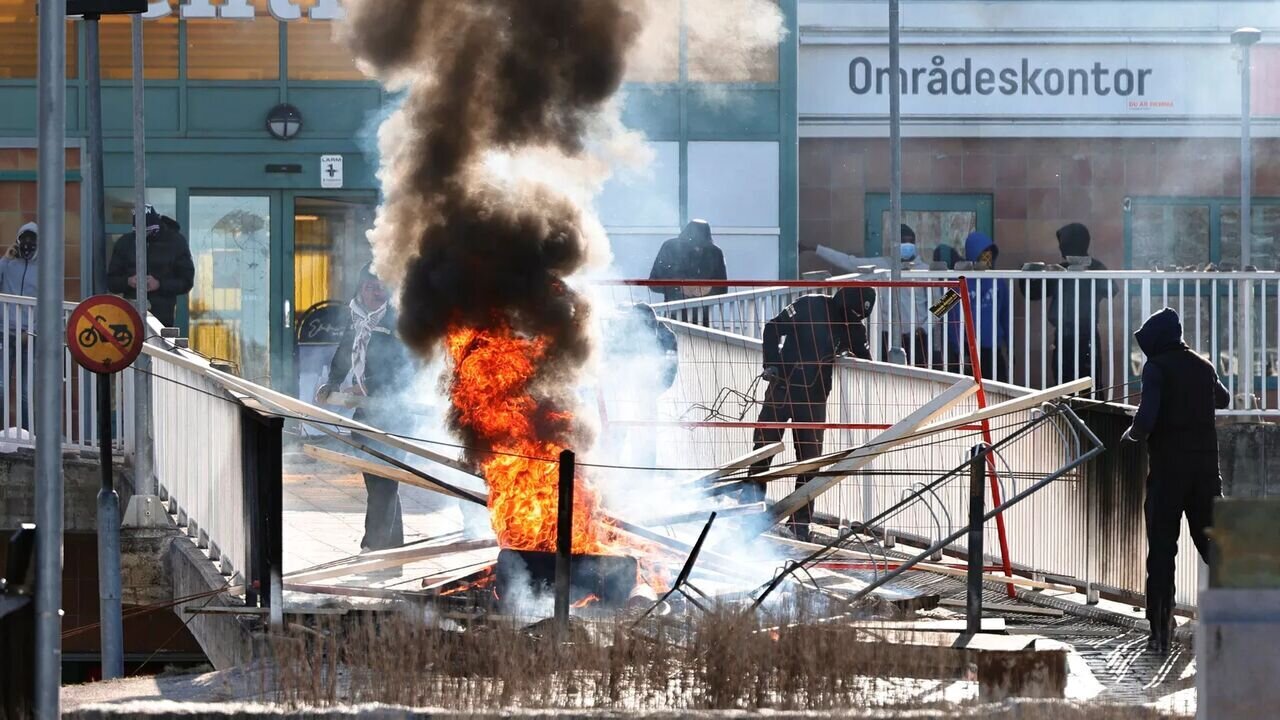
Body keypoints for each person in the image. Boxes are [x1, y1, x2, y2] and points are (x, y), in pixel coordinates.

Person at [1122, 307, 1230, 655]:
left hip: (1168, 474)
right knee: (1216, 549)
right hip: (1205, 475)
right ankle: (1235, 623)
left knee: (1163, 551)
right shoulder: (1203, 365)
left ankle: (1161, 630)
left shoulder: (1156, 368)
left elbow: (1147, 418)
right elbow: (1223, 399)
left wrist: (1131, 435)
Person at [746, 287, 876, 541]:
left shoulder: (855, 328)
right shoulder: (809, 304)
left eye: (856, 319)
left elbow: (867, 360)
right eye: (849, 316)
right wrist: (771, 363)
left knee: (810, 461)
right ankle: (749, 513)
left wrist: (856, 358)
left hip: (814, 397)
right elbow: (773, 328)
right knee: (762, 449)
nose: (850, 322)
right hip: (781, 387)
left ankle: (800, 523)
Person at [316, 264, 411, 552]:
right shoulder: (356, 316)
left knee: (384, 478)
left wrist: (368, 385)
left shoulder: (397, 319)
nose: (376, 290)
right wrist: (332, 382)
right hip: (368, 410)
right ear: (361, 288)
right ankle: (391, 547)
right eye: (371, 285)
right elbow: (345, 352)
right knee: (379, 479)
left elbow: (403, 364)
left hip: (394, 410)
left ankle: (373, 546)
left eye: (381, 285)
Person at [1021, 223, 1116, 384]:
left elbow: (1112, 289)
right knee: (1064, 382)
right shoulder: (1062, 270)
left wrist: (1088, 272)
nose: (1061, 248)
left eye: (1063, 243)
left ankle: (1089, 410)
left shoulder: (1094, 268)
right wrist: (1027, 274)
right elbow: (1033, 293)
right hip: (1065, 335)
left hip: (1087, 336)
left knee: (1089, 384)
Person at [107, 205, 195, 328]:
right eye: (139, 232)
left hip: (163, 317)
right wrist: (128, 281)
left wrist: (159, 284)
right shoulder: (124, 243)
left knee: (159, 344)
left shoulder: (175, 242)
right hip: (130, 316)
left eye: (148, 231)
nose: (144, 235)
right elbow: (111, 281)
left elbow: (186, 281)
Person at [946, 232, 1011, 383]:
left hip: (992, 347)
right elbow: (941, 312)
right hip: (965, 347)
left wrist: (1009, 345)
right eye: (983, 253)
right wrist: (957, 349)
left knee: (996, 391)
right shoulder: (956, 281)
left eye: (989, 253)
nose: (986, 258)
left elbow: (1006, 315)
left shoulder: (998, 281)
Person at [648, 219, 728, 302]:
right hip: (674, 308)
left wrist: (707, 289)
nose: (697, 249)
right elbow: (653, 282)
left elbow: (722, 288)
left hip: (701, 310)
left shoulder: (714, 252)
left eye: (700, 247)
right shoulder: (670, 247)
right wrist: (679, 287)